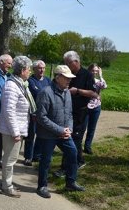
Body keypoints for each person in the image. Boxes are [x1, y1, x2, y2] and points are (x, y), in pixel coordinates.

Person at [35, 65, 86, 199]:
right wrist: (59, 130)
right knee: (46, 160)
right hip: (48, 134)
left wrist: (69, 129)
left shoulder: (67, 92)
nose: (69, 80)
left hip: (64, 133)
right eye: (66, 78)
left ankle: (71, 182)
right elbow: (41, 117)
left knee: (73, 153)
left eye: (70, 78)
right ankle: (42, 186)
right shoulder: (46, 92)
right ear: (57, 77)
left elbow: (69, 113)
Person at [0, 56, 34, 198]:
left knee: (11, 158)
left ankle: (7, 183)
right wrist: (15, 132)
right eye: (29, 69)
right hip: (12, 130)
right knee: (9, 159)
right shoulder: (12, 86)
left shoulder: (21, 84)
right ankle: (7, 187)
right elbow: (8, 110)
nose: (30, 71)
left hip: (18, 128)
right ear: (23, 70)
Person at [57, 51, 98, 174]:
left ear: (76, 62)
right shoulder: (68, 75)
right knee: (71, 137)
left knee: (73, 138)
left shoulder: (87, 75)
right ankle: (79, 160)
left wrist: (78, 91)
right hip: (67, 112)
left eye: (68, 63)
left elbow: (93, 93)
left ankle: (66, 168)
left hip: (81, 112)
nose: (67, 65)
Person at [23, 60, 51, 166]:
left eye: (43, 68)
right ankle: (28, 157)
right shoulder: (30, 81)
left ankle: (37, 155)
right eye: (39, 68)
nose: (42, 70)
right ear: (34, 69)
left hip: (44, 113)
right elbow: (37, 93)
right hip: (33, 113)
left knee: (41, 135)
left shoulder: (48, 80)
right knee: (30, 135)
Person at [83, 63, 108, 154]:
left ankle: (87, 146)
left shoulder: (98, 81)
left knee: (92, 128)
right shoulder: (85, 80)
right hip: (86, 106)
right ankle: (77, 146)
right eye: (93, 70)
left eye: (96, 71)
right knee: (82, 127)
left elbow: (104, 86)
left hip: (96, 107)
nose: (94, 72)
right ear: (89, 70)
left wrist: (101, 75)